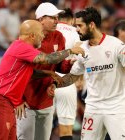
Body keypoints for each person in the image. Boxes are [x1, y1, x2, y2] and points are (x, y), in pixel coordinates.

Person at [0, 19, 84, 140]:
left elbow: (29, 73)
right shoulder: (21, 47)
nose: (42, 37)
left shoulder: (21, 48)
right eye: (40, 34)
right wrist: (70, 50)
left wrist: (49, 73)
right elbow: (47, 59)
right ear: (32, 36)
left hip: (8, 103)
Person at [49, 7, 125, 140]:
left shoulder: (116, 45)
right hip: (92, 108)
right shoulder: (82, 49)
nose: (76, 29)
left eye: (79, 25)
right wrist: (55, 84)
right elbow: (73, 76)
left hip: (116, 108)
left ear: (91, 25)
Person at [16, 3, 83, 140]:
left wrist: (69, 64)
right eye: (52, 18)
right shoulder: (29, 38)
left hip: (47, 99)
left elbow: (59, 66)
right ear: (41, 19)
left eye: (57, 17)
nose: (56, 21)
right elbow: (21, 71)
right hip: (27, 101)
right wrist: (18, 99)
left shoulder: (58, 36)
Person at [54, 8, 81, 140]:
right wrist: (81, 79)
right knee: (66, 129)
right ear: (72, 20)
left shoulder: (47, 30)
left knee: (41, 126)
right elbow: (81, 58)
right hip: (67, 82)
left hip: (45, 80)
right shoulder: (76, 32)